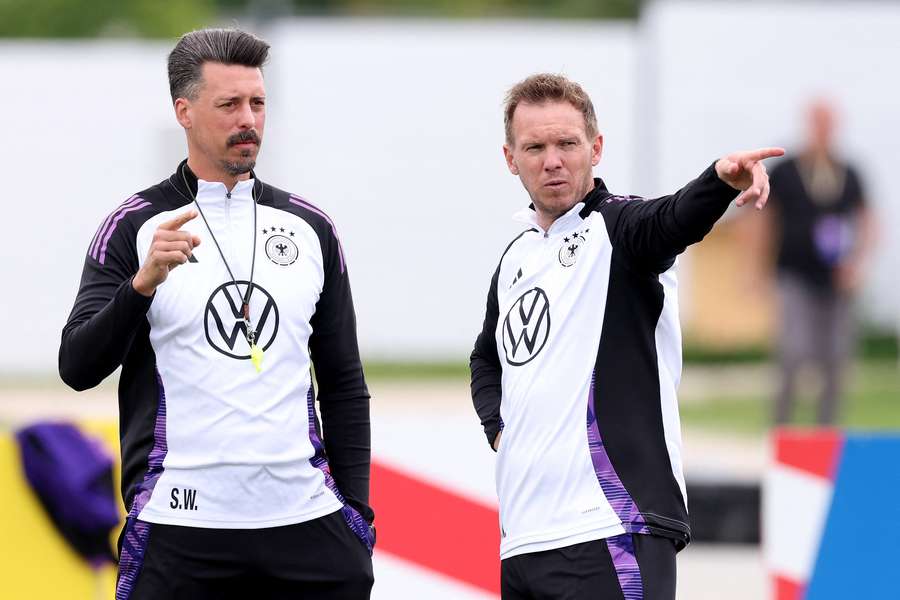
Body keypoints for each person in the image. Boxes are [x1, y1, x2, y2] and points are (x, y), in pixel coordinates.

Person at [59, 28, 374, 600]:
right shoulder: (135, 227)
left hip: (307, 526)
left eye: (257, 103)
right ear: (184, 111)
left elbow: (344, 383)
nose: (248, 120)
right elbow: (76, 366)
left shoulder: (311, 228)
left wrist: (358, 517)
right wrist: (141, 287)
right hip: (180, 528)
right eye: (228, 104)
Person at [469, 73, 782, 600]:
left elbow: (672, 219)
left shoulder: (620, 230)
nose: (552, 160)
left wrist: (718, 182)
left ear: (596, 148)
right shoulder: (516, 259)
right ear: (509, 158)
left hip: (612, 526)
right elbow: (486, 359)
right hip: (523, 541)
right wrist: (502, 429)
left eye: (567, 143)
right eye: (535, 147)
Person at [767, 99, 875, 425]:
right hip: (794, 273)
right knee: (793, 351)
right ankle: (781, 429)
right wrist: (756, 269)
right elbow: (763, 221)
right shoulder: (786, 171)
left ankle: (826, 433)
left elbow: (866, 219)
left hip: (836, 277)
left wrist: (857, 262)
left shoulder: (849, 172)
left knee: (836, 358)